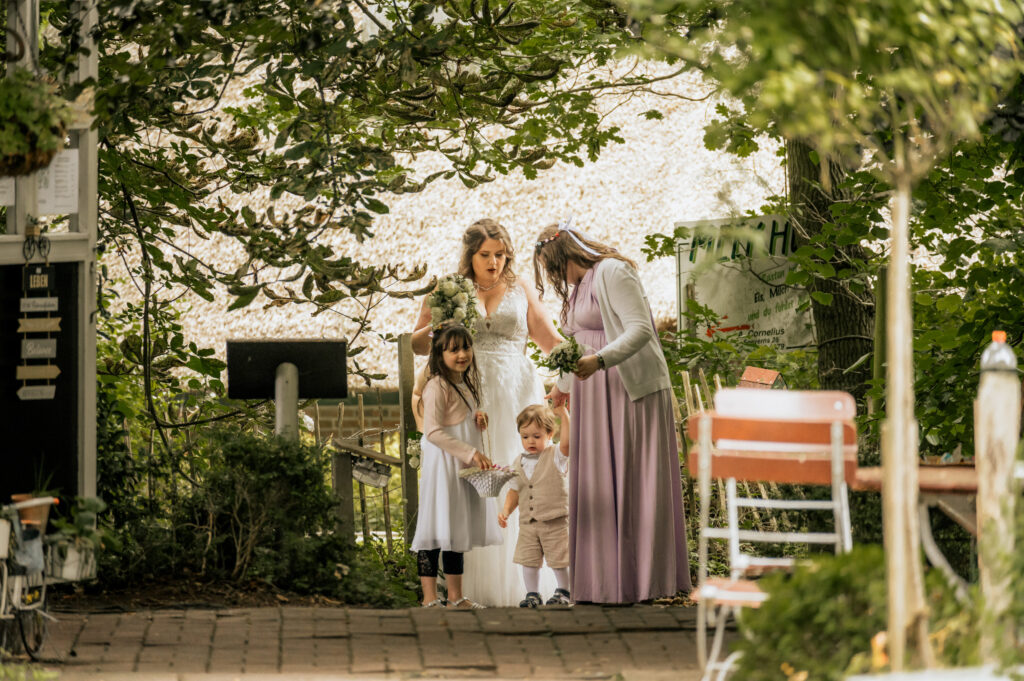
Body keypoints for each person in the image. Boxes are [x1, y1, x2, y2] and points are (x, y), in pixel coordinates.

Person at [533, 219, 691, 603]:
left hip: (628, 390)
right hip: (593, 393)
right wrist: (562, 386)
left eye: (555, 268)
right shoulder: (577, 290)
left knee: (634, 482)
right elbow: (576, 345)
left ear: (568, 254)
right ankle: (604, 582)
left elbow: (639, 331)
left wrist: (600, 361)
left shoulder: (614, 271)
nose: (557, 277)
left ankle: (643, 582)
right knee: (599, 485)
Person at [412, 218, 563, 606]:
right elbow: (416, 344)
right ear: (470, 255)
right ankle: (466, 588)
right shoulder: (449, 289)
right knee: (472, 484)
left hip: (515, 391)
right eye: (485, 255)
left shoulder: (520, 288)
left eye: (501, 255)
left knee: (518, 476)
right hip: (468, 394)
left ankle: (524, 584)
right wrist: (439, 327)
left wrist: (575, 364)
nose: (494, 262)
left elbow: (548, 339)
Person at [410, 321, 501, 609]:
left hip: (460, 467)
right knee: (434, 526)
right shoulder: (437, 386)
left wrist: (479, 419)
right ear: (440, 355)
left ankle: (455, 596)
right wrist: (471, 453)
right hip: (444, 467)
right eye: (454, 350)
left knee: (455, 527)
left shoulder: (466, 382)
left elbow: (460, 419)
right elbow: (433, 431)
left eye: (466, 347)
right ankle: (428, 598)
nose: (462, 354)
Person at [499, 403, 572, 607]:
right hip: (528, 524)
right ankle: (532, 594)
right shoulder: (518, 462)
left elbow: (567, 444)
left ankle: (564, 592)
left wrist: (564, 415)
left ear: (549, 434)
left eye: (537, 436)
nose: (530, 441)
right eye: (525, 436)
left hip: (554, 520)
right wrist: (506, 511)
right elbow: (514, 490)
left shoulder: (555, 455)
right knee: (528, 560)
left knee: (559, 559)